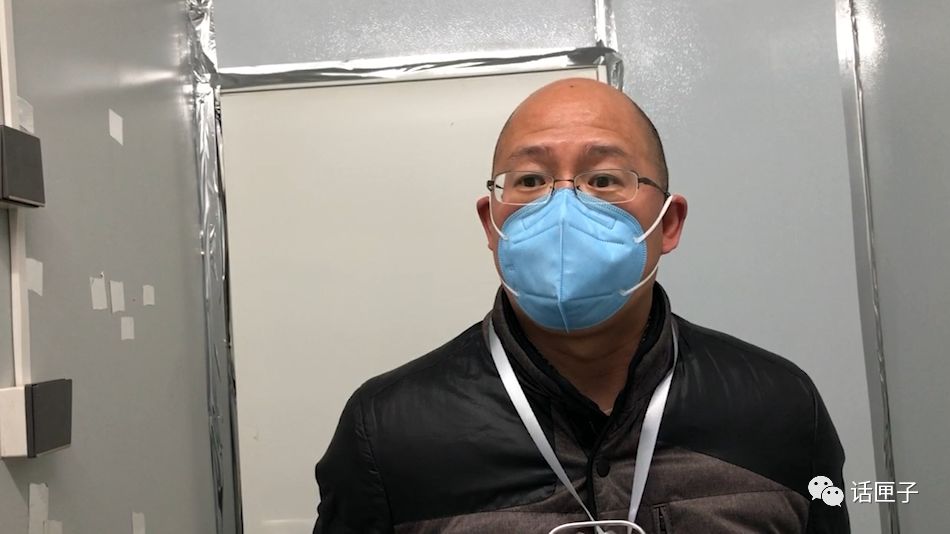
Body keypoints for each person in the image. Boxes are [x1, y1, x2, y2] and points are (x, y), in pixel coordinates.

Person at [313, 78, 850, 533]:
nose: (564, 206)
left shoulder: (780, 407)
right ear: (491, 225)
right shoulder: (386, 431)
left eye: (604, 179)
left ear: (668, 223)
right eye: (530, 180)